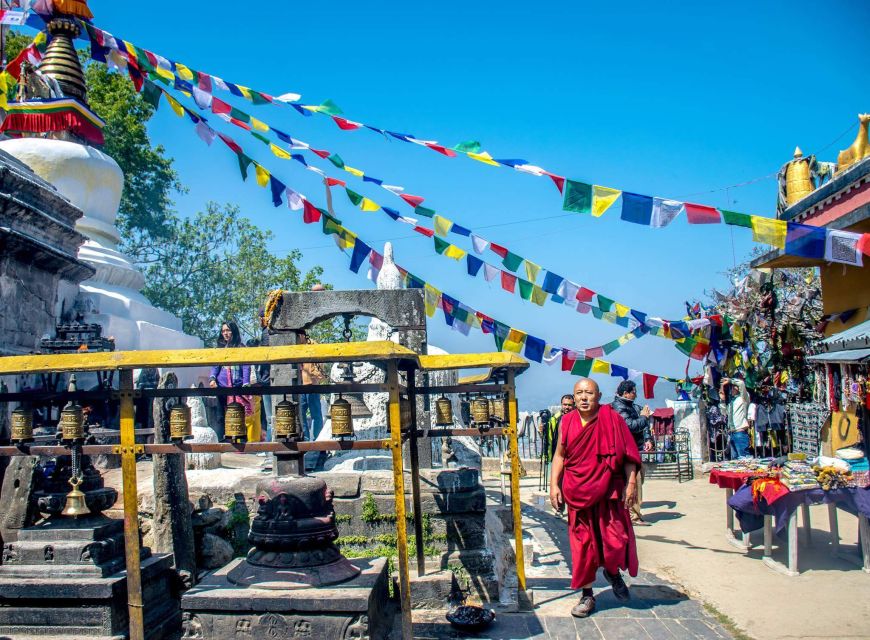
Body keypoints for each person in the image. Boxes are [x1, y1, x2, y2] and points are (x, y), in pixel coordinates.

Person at [549, 378, 641, 618]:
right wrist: (553, 485)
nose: (583, 397)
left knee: (615, 540)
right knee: (583, 547)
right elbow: (560, 455)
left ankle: (612, 572)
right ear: (573, 396)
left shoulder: (613, 419)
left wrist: (631, 484)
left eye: (589, 392)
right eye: (579, 393)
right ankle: (587, 595)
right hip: (577, 492)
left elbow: (630, 455)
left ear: (599, 396)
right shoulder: (567, 422)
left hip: (609, 492)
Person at [611, 380, 652, 526]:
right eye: (634, 391)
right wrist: (644, 417)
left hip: (635, 448)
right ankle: (634, 515)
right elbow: (631, 426)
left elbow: (643, 425)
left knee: (638, 480)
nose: (636, 394)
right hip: (626, 452)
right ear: (625, 393)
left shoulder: (632, 406)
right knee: (635, 481)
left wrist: (647, 438)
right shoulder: (619, 407)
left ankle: (631, 512)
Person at [208, 321, 250, 440]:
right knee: (222, 416)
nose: (225, 333)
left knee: (239, 414)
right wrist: (212, 378)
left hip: (237, 385)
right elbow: (216, 366)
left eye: (228, 330)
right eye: (223, 331)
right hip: (222, 386)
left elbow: (246, 365)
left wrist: (246, 382)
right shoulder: (221, 349)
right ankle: (224, 442)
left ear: (234, 331)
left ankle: (241, 442)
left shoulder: (241, 348)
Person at [720, 377, 751, 459]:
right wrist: (722, 398)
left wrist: (730, 380)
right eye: (732, 387)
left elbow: (741, 384)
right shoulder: (730, 403)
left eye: (734, 387)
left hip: (740, 433)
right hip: (731, 434)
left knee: (744, 459)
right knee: (735, 462)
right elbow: (723, 411)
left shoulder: (743, 398)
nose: (733, 388)